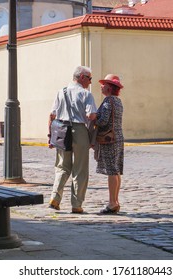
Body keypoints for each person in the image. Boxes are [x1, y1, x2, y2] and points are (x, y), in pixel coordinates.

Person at [48, 66, 97, 213]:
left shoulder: (61, 92)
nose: (90, 82)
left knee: (62, 167)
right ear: (82, 77)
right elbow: (91, 115)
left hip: (62, 130)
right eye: (89, 78)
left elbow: (52, 115)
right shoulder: (85, 94)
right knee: (80, 169)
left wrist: (50, 136)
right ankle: (76, 205)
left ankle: (55, 199)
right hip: (79, 130)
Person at [95, 74, 124, 214]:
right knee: (116, 170)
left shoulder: (108, 101)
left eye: (103, 84)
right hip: (118, 137)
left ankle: (112, 203)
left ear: (109, 87)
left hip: (109, 139)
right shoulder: (118, 101)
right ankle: (115, 201)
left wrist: (93, 119)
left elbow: (103, 121)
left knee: (112, 171)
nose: (101, 86)